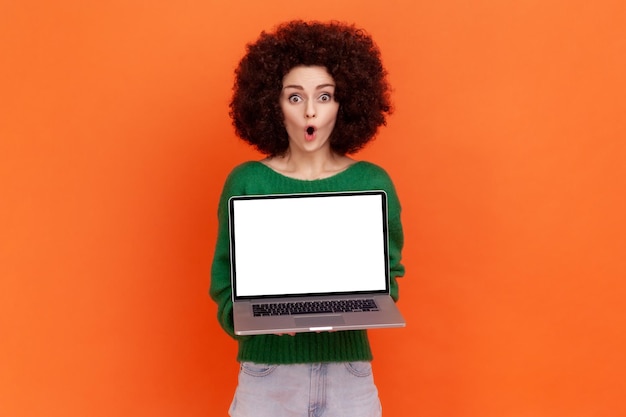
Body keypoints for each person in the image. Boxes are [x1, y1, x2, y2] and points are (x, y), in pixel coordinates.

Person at [210, 20, 405, 417]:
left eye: (325, 96)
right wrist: (251, 319)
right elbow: (224, 282)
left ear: (345, 103)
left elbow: (391, 273)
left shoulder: (372, 182)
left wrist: (360, 303)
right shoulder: (246, 181)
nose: (311, 111)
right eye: (295, 97)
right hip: (267, 374)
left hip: (349, 374)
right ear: (272, 103)